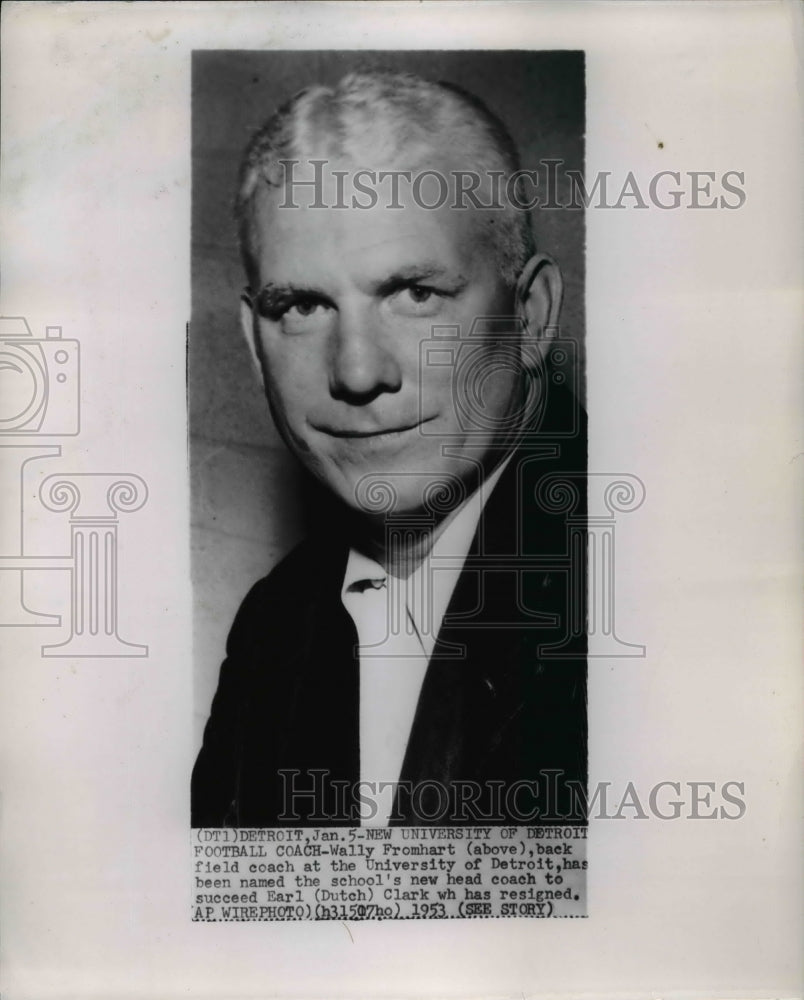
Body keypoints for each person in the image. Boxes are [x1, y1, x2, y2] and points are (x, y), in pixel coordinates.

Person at [191, 71, 586, 828]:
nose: (358, 372)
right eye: (302, 307)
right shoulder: (276, 624)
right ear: (252, 340)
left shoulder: (653, 577)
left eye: (413, 293)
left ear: (530, 317)